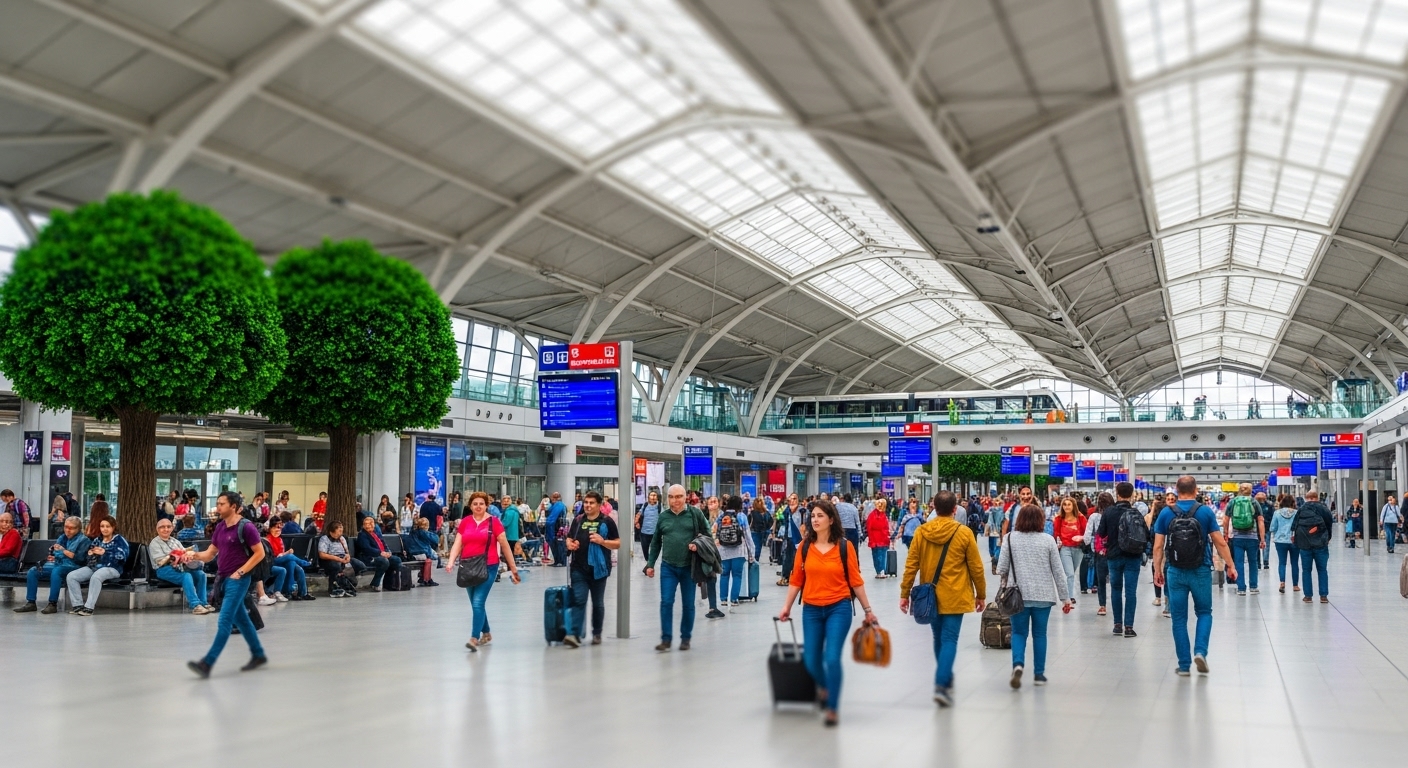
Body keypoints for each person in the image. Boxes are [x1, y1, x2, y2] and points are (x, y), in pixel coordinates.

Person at [777, 498, 877, 727]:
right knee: (811, 660)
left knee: (831, 658)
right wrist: (787, 606)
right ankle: (824, 687)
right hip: (811, 608)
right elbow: (796, 579)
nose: (815, 520)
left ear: (831, 520)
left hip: (838, 607)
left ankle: (832, 707)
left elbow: (855, 580)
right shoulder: (804, 547)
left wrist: (868, 610)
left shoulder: (845, 546)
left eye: (820, 516)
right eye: (813, 516)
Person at [899, 491, 986, 707]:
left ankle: (945, 678)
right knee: (950, 639)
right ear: (955, 510)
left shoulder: (921, 531)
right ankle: (941, 683)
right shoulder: (964, 533)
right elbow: (976, 567)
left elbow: (912, 564)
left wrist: (904, 593)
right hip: (955, 594)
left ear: (933, 509)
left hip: (930, 595)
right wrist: (981, 594)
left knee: (938, 638)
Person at [1152, 476, 1236, 677]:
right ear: (1196, 489)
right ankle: (1200, 651)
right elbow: (1220, 542)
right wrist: (1230, 566)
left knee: (1179, 618)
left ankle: (1183, 665)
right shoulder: (1204, 512)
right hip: (1200, 569)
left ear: (1177, 490)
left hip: (1175, 570)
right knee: (1204, 612)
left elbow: (1157, 547)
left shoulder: (1165, 512)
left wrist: (1157, 570)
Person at [185, 492, 268, 677]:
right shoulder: (221, 527)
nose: (218, 507)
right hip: (222, 578)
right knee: (243, 620)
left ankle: (207, 663)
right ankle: (258, 654)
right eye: (217, 503)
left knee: (224, 621)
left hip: (237, 581)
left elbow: (259, 553)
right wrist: (192, 556)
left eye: (222, 504)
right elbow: (210, 553)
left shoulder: (246, 527)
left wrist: (240, 572)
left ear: (233, 506)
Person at [998, 504, 1074, 689]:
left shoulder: (1009, 538)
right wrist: (1065, 598)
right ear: (1040, 520)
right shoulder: (1048, 540)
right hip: (1043, 596)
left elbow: (1001, 569)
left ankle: (1017, 664)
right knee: (1040, 634)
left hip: (1017, 596)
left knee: (1018, 632)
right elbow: (1058, 572)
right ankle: (1039, 674)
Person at [446, 491, 520, 652]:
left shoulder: (494, 523)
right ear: (470, 506)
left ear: (487, 505)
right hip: (467, 566)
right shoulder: (465, 522)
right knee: (475, 604)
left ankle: (474, 637)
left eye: (481, 503)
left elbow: (505, 546)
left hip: (489, 565)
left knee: (478, 602)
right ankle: (486, 633)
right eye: (475, 504)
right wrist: (451, 562)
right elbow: (458, 543)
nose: (478, 506)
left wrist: (513, 568)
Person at [645, 484, 710, 651]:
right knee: (666, 602)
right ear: (668, 498)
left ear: (685, 497)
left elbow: (708, 535)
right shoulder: (663, 517)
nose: (675, 500)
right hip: (668, 567)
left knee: (688, 604)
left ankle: (685, 638)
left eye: (679, 496)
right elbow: (656, 542)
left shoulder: (695, 514)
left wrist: (698, 545)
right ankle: (666, 639)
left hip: (690, 566)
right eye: (672, 497)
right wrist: (650, 564)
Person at [563, 490, 620, 647]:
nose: (587, 505)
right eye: (586, 502)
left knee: (598, 603)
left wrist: (602, 542)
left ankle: (597, 633)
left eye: (591, 503)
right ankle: (574, 634)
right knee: (579, 599)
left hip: (599, 569)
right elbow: (569, 537)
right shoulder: (578, 520)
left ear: (599, 505)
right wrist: (570, 544)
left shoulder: (607, 522)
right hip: (578, 568)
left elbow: (617, 543)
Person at [1095, 482, 1143, 637]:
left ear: (1117, 493)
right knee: (1131, 591)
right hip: (1133, 557)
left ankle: (1117, 625)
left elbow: (1101, 533)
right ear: (1132, 494)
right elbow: (1145, 535)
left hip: (1114, 556)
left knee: (1115, 589)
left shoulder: (1109, 512)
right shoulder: (1136, 512)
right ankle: (1129, 627)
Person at [13, 516, 88, 614]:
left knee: (56, 571)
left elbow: (79, 558)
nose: (68, 530)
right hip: (59, 563)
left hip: (74, 567)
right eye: (66, 527)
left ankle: (52, 604)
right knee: (33, 571)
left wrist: (62, 551)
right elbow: (55, 552)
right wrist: (64, 553)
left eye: (71, 528)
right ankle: (31, 602)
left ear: (78, 529)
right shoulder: (63, 537)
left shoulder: (83, 540)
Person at [64, 517, 129, 616]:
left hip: (112, 568)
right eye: (102, 526)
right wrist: (91, 554)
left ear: (113, 527)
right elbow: (89, 556)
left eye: (108, 526)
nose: (104, 529)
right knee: (72, 576)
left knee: (96, 576)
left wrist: (105, 553)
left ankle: (89, 607)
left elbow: (122, 557)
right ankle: (78, 605)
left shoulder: (119, 540)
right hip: (95, 567)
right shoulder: (98, 540)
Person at [149, 518, 212, 614]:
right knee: (186, 576)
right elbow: (160, 562)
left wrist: (187, 557)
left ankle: (203, 602)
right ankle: (195, 605)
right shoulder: (154, 543)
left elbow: (184, 553)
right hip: (164, 569)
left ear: (172, 528)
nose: (166, 529)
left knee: (201, 574)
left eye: (168, 527)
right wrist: (174, 557)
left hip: (181, 567)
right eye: (162, 527)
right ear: (157, 529)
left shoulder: (175, 541)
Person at [1222, 483, 1265, 595]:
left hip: (1237, 537)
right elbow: (1260, 521)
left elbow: (1225, 520)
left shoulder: (1233, 502)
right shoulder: (1254, 502)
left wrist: (1225, 534)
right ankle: (1253, 586)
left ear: (1239, 490)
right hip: (1252, 537)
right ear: (1251, 491)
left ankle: (1241, 588)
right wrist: (1262, 538)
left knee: (1238, 562)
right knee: (1253, 562)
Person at [714, 495, 755, 607]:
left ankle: (723, 599)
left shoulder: (721, 516)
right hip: (739, 551)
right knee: (737, 575)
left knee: (724, 574)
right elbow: (747, 536)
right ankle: (734, 599)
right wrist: (752, 552)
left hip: (724, 551)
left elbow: (714, 530)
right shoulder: (741, 516)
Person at [1296, 489, 1334, 604]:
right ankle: (1323, 596)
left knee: (1306, 570)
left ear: (1306, 498)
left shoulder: (1301, 509)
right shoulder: (1324, 508)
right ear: (1316, 497)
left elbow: (1295, 525)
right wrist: (1328, 538)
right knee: (1322, 570)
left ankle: (1308, 596)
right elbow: (1329, 524)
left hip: (1305, 545)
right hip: (1321, 543)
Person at [266, 519, 313, 601]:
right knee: (290, 557)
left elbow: (281, 554)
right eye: (275, 528)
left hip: (281, 560)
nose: (277, 530)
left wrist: (285, 553)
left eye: (279, 528)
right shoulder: (268, 539)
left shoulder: (280, 540)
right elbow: (273, 555)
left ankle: (302, 593)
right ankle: (304, 562)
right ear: (270, 529)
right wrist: (287, 553)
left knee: (294, 565)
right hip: (272, 561)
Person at [1051, 496, 1086, 601]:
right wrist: (1056, 544)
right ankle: (1070, 596)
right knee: (1069, 573)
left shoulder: (1081, 518)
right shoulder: (1058, 519)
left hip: (1078, 548)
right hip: (1065, 548)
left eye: (1069, 504)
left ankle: (1068, 593)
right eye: (1064, 504)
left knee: (1073, 571)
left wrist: (1082, 538)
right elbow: (1056, 533)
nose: (1066, 506)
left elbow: (1086, 533)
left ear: (1073, 505)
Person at [356, 515, 402, 592]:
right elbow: (367, 549)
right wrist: (380, 553)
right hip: (369, 557)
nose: (368, 526)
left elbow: (383, 543)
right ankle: (375, 583)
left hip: (382, 554)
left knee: (396, 560)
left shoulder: (376, 533)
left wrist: (388, 552)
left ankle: (388, 583)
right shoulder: (362, 535)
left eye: (370, 524)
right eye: (366, 524)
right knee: (384, 561)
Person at [317, 522, 361, 597]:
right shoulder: (324, 539)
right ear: (331, 532)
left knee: (360, 565)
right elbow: (322, 555)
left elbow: (347, 551)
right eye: (338, 532)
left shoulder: (342, 538)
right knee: (336, 566)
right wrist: (339, 559)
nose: (340, 534)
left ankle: (347, 583)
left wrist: (348, 557)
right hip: (330, 558)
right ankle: (333, 588)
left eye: (341, 531)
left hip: (342, 558)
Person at [1268, 494, 1300, 593]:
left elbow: (1272, 528)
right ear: (1293, 503)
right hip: (1295, 540)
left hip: (1280, 541)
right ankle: (1295, 585)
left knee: (1282, 563)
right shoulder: (1297, 513)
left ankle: (1282, 582)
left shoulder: (1277, 513)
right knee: (1294, 563)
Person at [405, 517, 441, 585]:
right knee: (435, 558)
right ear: (426, 526)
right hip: (420, 553)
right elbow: (435, 539)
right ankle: (427, 578)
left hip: (412, 553)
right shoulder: (423, 532)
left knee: (431, 555)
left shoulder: (413, 532)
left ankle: (423, 576)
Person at [779, 493, 805, 586]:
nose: (792, 500)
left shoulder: (802, 510)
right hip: (789, 537)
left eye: (794, 498)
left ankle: (796, 577)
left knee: (797, 558)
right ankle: (785, 577)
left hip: (799, 538)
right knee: (787, 558)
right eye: (791, 499)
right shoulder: (787, 510)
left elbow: (804, 523)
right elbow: (782, 517)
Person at [865, 498, 892, 578]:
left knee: (876, 556)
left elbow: (869, 527)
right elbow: (884, 527)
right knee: (882, 555)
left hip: (874, 539)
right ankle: (881, 571)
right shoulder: (883, 516)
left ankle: (879, 571)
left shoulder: (871, 515)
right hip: (882, 539)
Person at [636, 489, 661, 571]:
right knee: (645, 549)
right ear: (648, 497)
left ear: (657, 498)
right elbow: (639, 514)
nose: (653, 497)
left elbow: (663, 517)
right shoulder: (645, 505)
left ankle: (649, 565)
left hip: (655, 533)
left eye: (655, 495)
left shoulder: (659, 506)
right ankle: (649, 563)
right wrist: (636, 522)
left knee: (655, 549)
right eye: (651, 495)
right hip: (644, 532)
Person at [546, 492, 568, 567]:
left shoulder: (558, 505)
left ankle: (560, 561)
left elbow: (551, 519)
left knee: (558, 545)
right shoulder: (558, 505)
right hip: (558, 528)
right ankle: (559, 561)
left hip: (556, 528)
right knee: (558, 545)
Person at [747, 497, 772, 563]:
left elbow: (748, 523)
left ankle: (754, 562)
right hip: (763, 532)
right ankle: (755, 561)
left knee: (755, 549)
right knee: (758, 548)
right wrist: (767, 529)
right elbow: (770, 522)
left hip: (754, 532)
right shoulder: (766, 513)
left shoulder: (752, 513)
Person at [1255, 491, 1275, 568]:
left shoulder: (1253, 505)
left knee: (1256, 545)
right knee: (1266, 545)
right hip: (1267, 527)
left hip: (1256, 528)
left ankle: (1258, 563)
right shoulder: (1269, 505)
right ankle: (1265, 562)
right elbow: (1272, 516)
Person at [499, 495, 520, 565]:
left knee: (508, 554)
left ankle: (510, 569)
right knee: (511, 553)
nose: (504, 505)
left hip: (509, 535)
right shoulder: (515, 510)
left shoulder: (509, 512)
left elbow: (505, 523)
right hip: (514, 535)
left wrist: (497, 524)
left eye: (505, 503)